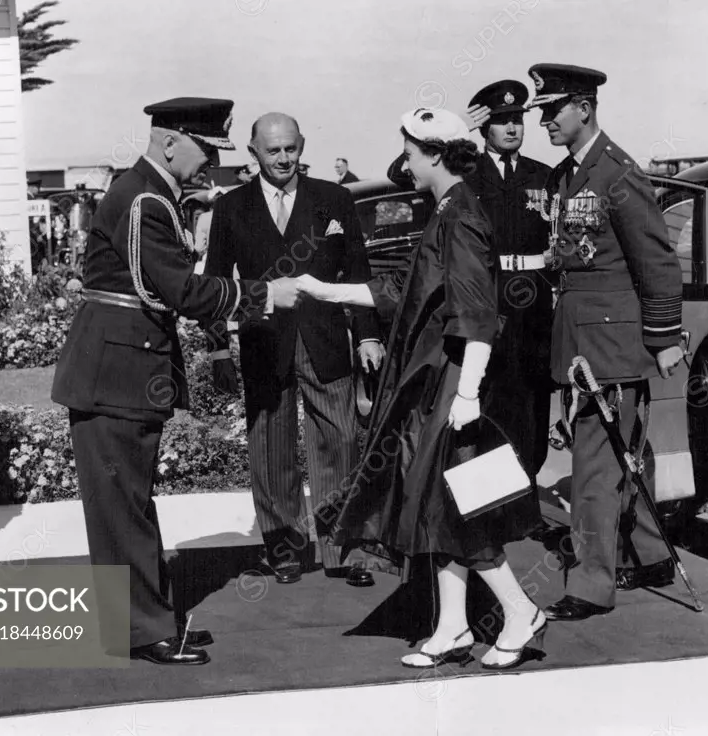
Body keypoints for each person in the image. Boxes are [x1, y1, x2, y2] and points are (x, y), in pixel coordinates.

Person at [50, 97, 301, 666]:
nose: (212, 161)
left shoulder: (152, 193)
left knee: (129, 504)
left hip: (120, 369)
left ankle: (145, 619)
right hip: (114, 373)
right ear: (170, 142)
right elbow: (177, 291)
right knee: (121, 509)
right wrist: (262, 294)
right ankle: (142, 630)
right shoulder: (145, 199)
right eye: (206, 148)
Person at [297, 108, 548, 671]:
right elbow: (403, 292)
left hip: (455, 379)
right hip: (440, 380)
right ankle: (454, 626)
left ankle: (519, 609)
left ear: (434, 154)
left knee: (460, 501)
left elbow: (477, 313)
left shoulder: (460, 217)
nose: (403, 163)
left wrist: (468, 395)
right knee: (435, 501)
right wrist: (324, 291)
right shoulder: (448, 211)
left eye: (409, 153)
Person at [524, 64, 685, 621]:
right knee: (621, 453)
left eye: (552, 110)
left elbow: (657, 261)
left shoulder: (616, 174)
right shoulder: (568, 175)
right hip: (580, 335)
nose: (543, 120)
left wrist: (663, 337)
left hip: (610, 345)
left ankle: (591, 584)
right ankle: (649, 553)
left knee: (594, 464)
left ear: (584, 108)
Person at [205, 113, 384, 587]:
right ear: (253, 154)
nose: (283, 159)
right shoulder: (231, 208)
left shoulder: (335, 198)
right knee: (270, 448)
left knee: (341, 441)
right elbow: (216, 285)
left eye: (291, 149)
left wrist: (367, 335)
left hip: (326, 342)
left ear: (302, 146)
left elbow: (358, 274)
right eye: (273, 151)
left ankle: (342, 547)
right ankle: (283, 548)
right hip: (264, 343)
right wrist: (219, 352)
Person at [463, 79, 554, 499]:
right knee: (486, 395)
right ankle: (485, 502)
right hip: (486, 295)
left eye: (517, 118)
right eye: (501, 121)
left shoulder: (544, 175)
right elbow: (403, 172)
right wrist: (454, 132)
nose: (513, 127)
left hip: (534, 300)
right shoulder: (465, 172)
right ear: (484, 127)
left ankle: (526, 494)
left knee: (533, 397)